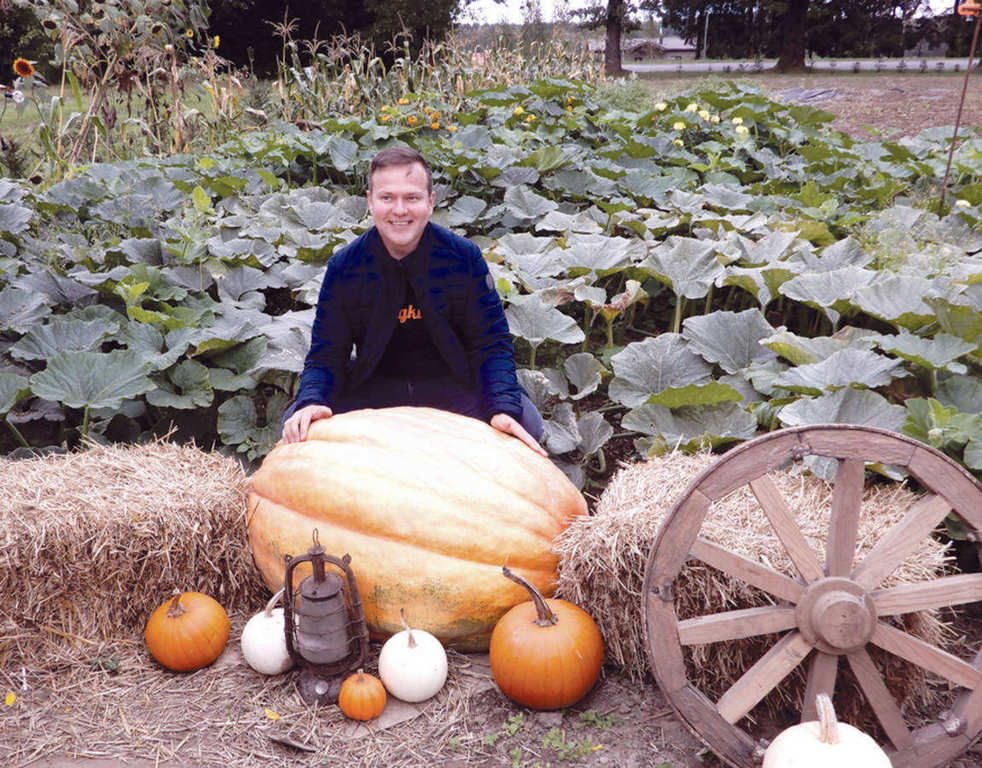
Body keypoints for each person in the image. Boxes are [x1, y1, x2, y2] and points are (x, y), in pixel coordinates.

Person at [281, 146, 546, 456]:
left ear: (430, 202)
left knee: (524, 421)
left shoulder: (464, 258)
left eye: (412, 198)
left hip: (453, 386)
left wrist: (502, 407)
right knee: (300, 423)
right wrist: (312, 400)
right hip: (375, 389)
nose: (400, 210)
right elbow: (327, 354)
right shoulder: (345, 267)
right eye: (387, 198)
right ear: (370, 202)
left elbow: (491, 345)